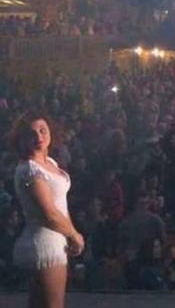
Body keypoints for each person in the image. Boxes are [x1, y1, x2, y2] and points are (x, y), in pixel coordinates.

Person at [10, 112, 85, 308]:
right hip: (45, 243)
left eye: (42, 131)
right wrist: (74, 234)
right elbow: (49, 213)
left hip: (56, 239)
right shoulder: (29, 170)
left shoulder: (49, 163)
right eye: (31, 134)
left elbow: (60, 204)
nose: (39, 137)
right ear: (22, 140)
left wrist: (68, 234)